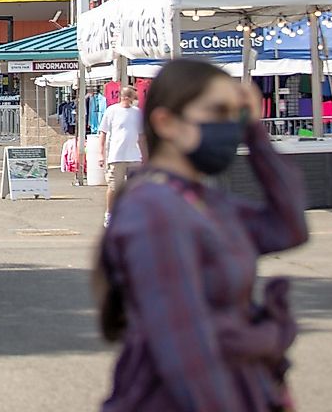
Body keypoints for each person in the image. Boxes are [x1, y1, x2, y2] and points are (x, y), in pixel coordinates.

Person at [94, 59, 309, 411]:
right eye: (217, 112)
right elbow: (184, 349)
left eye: (234, 114)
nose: (229, 126)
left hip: (237, 386)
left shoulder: (203, 201)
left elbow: (288, 226)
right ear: (166, 122)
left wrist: (255, 132)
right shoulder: (153, 210)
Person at [99, 85, 145, 226]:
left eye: (130, 97)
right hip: (116, 155)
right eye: (125, 96)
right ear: (121, 97)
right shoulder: (111, 111)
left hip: (134, 156)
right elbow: (103, 133)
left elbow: (142, 136)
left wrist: (145, 155)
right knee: (113, 186)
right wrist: (101, 154)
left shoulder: (137, 113)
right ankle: (110, 213)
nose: (127, 99)